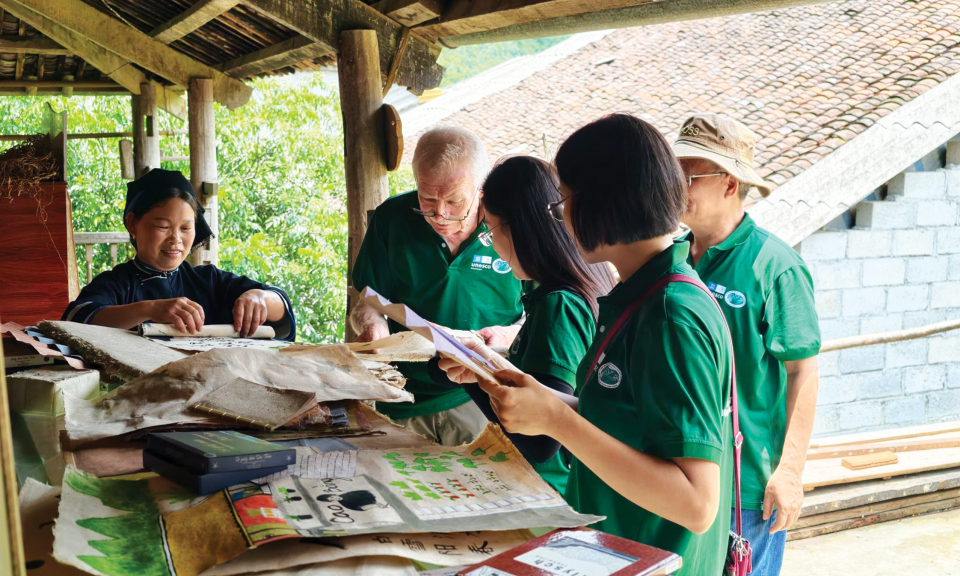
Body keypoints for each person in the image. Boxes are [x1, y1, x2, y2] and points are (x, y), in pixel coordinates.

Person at [443, 114, 734, 576]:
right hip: (610, 551)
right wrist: (529, 391)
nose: (562, 216)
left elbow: (697, 503)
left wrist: (557, 419)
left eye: (567, 201)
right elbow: (623, 423)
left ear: (604, 202)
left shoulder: (669, 312)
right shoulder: (639, 295)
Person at [673, 113, 821, 575]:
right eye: (672, 173)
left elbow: (804, 371)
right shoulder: (672, 257)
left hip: (746, 487)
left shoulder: (775, 267)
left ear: (730, 184)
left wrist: (789, 472)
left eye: (689, 176)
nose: (676, 186)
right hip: (676, 472)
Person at [435, 155, 614, 493]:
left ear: (518, 230)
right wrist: (483, 362)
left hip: (550, 493)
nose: (492, 246)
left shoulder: (559, 303)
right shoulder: (584, 276)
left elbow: (541, 441)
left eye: (489, 232)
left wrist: (477, 376)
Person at [350, 127, 524, 446]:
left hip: (488, 393)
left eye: (455, 202)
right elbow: (369, 299)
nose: (440, 215)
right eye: (427, 199)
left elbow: (549, 307)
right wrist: (374, 328)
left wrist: (506, 335)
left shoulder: (513, 225)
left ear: (481, 190)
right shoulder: (392, 219)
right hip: (403, 395)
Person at [63, 169, 296, 340]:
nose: (176, 239)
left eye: (186, 228)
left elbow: (281, 306)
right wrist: (150, 309)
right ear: (133, 223)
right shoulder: (116, 284)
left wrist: (258, 298)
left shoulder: (209, 281)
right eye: (163, 227)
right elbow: (75, 321)